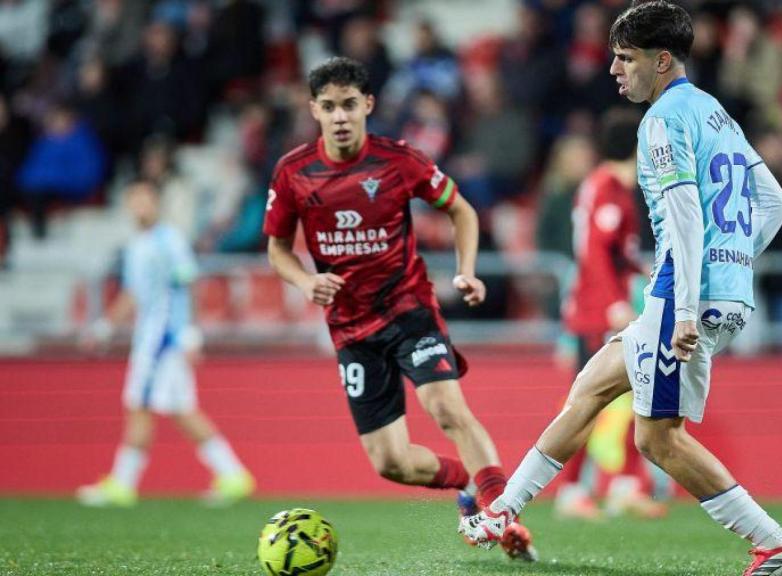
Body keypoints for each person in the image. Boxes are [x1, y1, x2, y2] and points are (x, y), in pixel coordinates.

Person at [459, 3, 782, 575]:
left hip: (682, 296)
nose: (614, 70)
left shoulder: (662, 120)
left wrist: (689, 304)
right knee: (591, 386)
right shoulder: (715, 112)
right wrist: (731, 264)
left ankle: (777, 545)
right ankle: (503, 511)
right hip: (711, 289)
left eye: (625, 58)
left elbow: (685, 214)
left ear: (661, 60)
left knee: (658, 440)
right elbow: (774, 202)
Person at [263, 56, 535, 561]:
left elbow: (461, 210)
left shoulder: (398, 160)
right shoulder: (293, 172)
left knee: (446, 408)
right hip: (351, 330)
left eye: (349, 104)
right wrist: (305, 280)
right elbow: (277, 248)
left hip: (409, 309)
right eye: (329, 106)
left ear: (367, 105)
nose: (340, 116)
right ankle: (469, 486)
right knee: (391, 462)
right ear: (314, 110)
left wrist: (467, 270)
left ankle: (501, 514)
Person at [77, 180, 254, 507]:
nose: (140, 206)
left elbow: (188, 284)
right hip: (149, 335)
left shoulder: (169, 240)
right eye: (134, 200)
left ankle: (123, 484)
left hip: (163, 337)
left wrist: (190, 333)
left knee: (141, 404)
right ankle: (232, 475)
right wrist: (105, 327)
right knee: (179, 409)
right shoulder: (136, 245)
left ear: (156, 203)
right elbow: (133, 294)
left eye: (145, 199)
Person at [556, 107, 667, 520]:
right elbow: (593, 251)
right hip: (597, 315)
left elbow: (617, 254)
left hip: (607, 310)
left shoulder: (614, 189)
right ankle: (571, 492)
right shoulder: (605, 187)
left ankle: (624, 486)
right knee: (587, 403)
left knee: (640, 393)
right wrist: (611, 303)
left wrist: (644, 273)